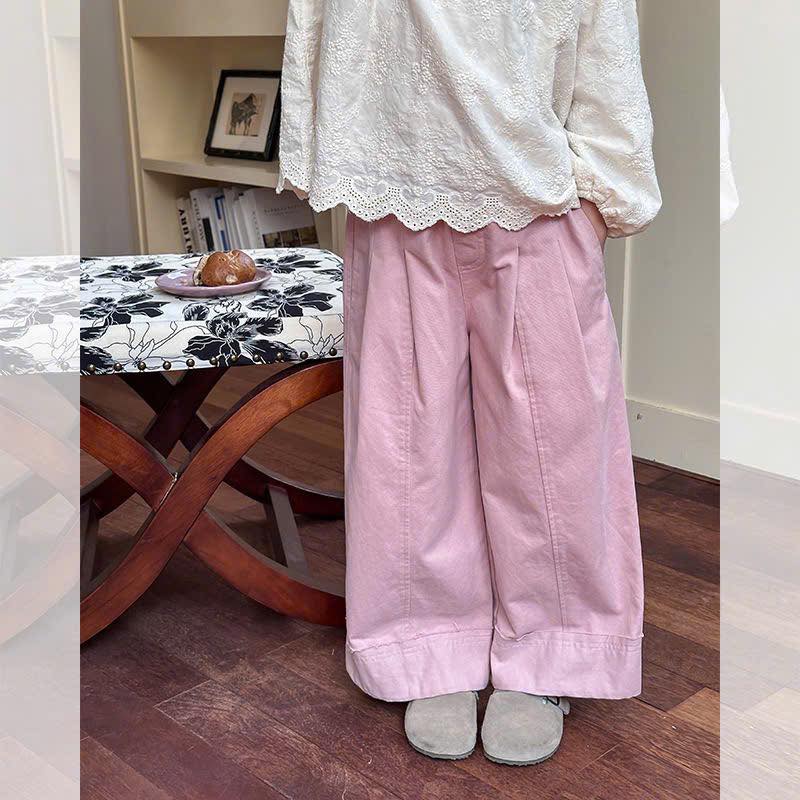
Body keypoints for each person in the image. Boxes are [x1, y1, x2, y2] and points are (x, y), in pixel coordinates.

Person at [278, 0, 661, 766]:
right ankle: (426, 642)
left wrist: (603, 192)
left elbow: (603, 31)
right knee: (405, 446)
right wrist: (316, 144)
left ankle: (557, 650)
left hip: (537, 199)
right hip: (394, 191)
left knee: (554, 448)